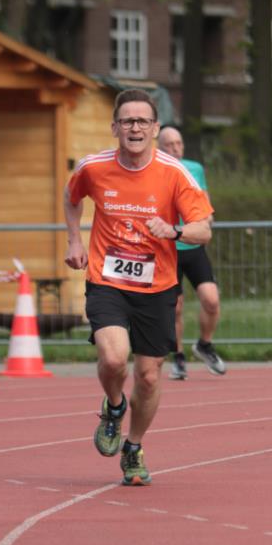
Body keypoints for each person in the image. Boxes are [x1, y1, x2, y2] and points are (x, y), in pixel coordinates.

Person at [64, 89, 213, 486]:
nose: (134, 127)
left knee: (147, 377)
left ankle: (133, 446)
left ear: (154, 128)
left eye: (142, 121)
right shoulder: (93, 168)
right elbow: (71, 196)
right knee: (114, 360)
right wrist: (74, 240)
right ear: (115, 127)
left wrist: (176, 229)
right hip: (107, 280)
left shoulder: (174, 172)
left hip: (157, 286)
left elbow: (204, 230)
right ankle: (114, 408)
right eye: (127, 120)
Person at [157, 126, 226, 380]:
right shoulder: (156, 171)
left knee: (211, 299)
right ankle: (178, 357)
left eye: (179, 143)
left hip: (192, 246)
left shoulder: (194, 168)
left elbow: (205, 204)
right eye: (169, 145)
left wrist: (207, 221)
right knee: (175, 308)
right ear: (160, 148)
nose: (175, 148)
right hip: (168, 249)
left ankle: (204, 344)